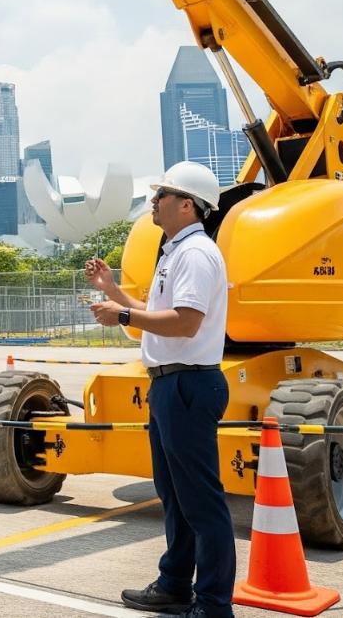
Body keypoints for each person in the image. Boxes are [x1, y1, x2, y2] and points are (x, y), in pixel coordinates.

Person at [85, 161, 234, 617]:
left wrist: (122, 317)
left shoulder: (195, 254)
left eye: (162, 194)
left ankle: (212, 604)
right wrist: (115, 291)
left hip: (188, 383)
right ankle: (174, 585)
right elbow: (158, 309)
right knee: (174, 495)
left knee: (201, 502)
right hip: (172, 385)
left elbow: (186, 323)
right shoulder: (175, 251)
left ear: (186, 205)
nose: (153, 201)